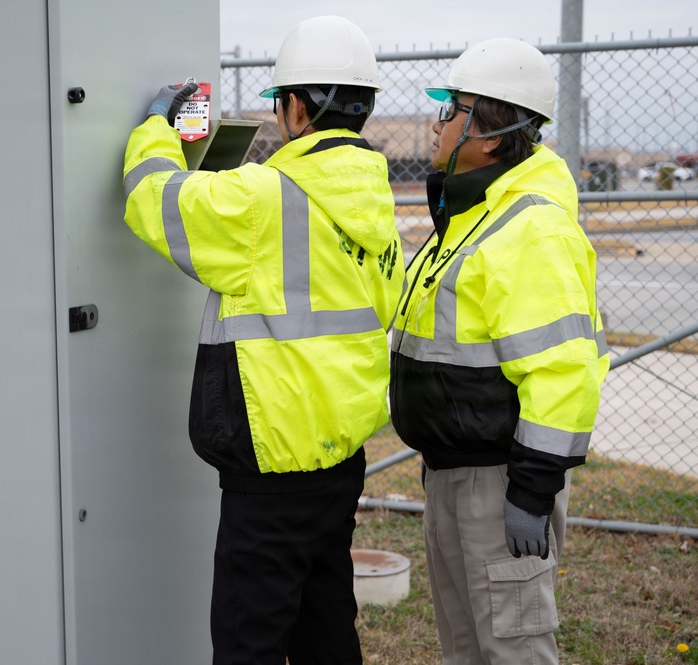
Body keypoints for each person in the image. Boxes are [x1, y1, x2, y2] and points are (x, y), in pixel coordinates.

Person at [123, 15, 404, 665]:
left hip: (272, 465)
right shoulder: (376, 202)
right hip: (338, 455)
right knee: (325, 619)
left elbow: (151, 197)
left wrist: (157, 130)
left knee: (249, 639)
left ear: (297, 106)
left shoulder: (262, 199)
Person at [388, 38, 610, 664]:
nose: (435, 126)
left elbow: (563, 371)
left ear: (488, 131)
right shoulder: (474, 214)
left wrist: (531, 492)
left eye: (449, 110)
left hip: (500, 482)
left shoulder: (530, 228)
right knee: (466, 646)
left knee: (512, 649)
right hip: (454, 472)